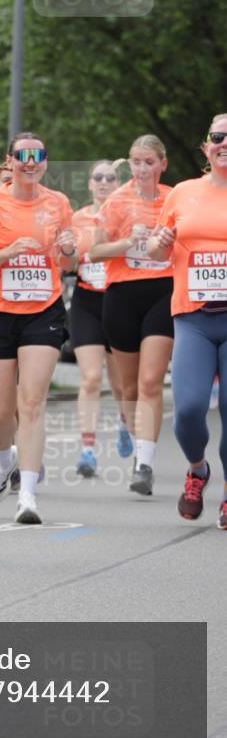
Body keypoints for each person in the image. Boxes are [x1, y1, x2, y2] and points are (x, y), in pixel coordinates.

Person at [0, 131, 77, 525]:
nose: (30, 162)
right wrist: (7, 253)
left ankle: (28, 495)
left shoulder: (59, 204)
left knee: (32, 402)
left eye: (38, 155)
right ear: (10, 161)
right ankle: (4, 461)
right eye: (22, 156)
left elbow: (67, 264)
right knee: (0, 412)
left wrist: (68, 250)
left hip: (43, 311)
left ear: (46, 162)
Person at [146, 113, 227, 530]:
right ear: (205, 146)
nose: (224, 142)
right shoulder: (183, 193)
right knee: (190, 410)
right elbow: (158, 252)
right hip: (193, 317)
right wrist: (159, 242)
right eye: (218, 136)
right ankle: (197, 469)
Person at [90, 135, 173, 497]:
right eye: (136, 162)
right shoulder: (116, 202)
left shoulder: (174, 199)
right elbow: (93, 252)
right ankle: (131, 426)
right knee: (128, 388)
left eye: (149, 162)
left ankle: (144, 464)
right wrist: (127, 243)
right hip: (122, 294)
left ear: (162, 164)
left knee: (151, 382)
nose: (141, 169)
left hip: (163, 291)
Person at [70, 160, 132, 477]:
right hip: (87, 302)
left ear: (119, 183)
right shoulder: (77, 218)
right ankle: (88, 450)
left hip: (119, 299)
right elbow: (66, 263)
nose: (105, 182)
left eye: (111, 177)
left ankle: (125, 422)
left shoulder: (127, 215)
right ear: (90, 184)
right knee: (91, 378)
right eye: (99, 177)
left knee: (121, 384)